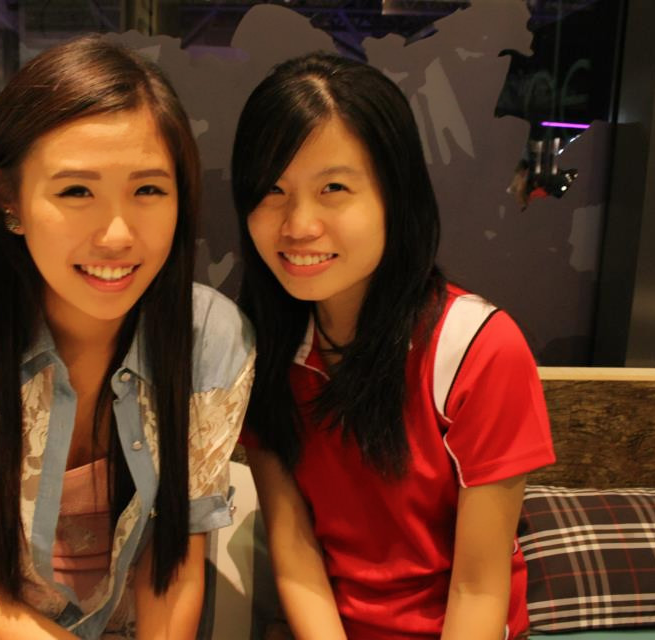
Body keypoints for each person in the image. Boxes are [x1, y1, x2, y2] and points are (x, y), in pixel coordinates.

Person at [0, 35, 254, 640]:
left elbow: (172, 565)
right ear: (9, 200)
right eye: (76, 191)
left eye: (148, 189)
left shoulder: (212, 341)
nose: (117, 235)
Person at [232, 52, 555, 640]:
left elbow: (479, 587)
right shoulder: (262, 347)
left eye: (333, 188)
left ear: (395, 196)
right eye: (273, 190)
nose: (298, 225)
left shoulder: (477, 350)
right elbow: (294, 544)